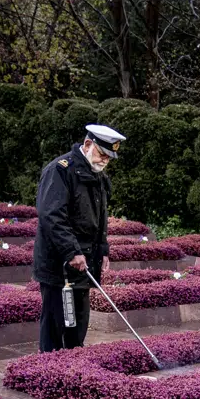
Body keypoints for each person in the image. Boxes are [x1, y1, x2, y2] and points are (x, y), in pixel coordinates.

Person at [32, 123, 124, 352]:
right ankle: (49, 371)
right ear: (88, 144)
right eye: (102, 154)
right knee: (56, 323)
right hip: (58, 264)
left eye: (109, 158)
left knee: (78, 324)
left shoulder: (97, 175)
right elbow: (51, 215)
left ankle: (74, 369)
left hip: (85, 263)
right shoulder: (61, 170)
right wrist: (71, 251)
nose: (105, 161)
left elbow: (100, 216)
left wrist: (102, 250)